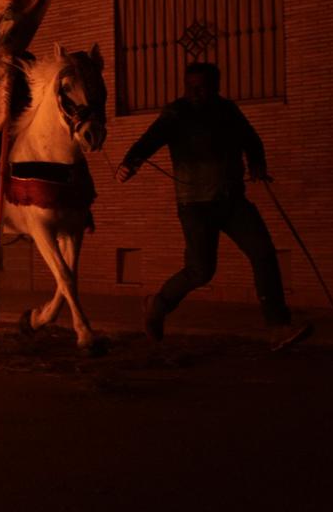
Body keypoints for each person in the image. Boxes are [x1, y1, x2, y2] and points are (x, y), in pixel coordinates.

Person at [114, 62, 311, 348]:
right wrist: (130, 163)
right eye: (191, 86)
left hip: (232, 200)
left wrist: (256, 162)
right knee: (201, 271)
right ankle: (159, 303)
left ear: (216, 86)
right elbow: (149, 140)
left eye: (202, 86)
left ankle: (278, 326)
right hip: (195, 205)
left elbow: (251, 139)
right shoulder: (176, 113)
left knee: (263, 252)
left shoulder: (227, 111)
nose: (196, 92)